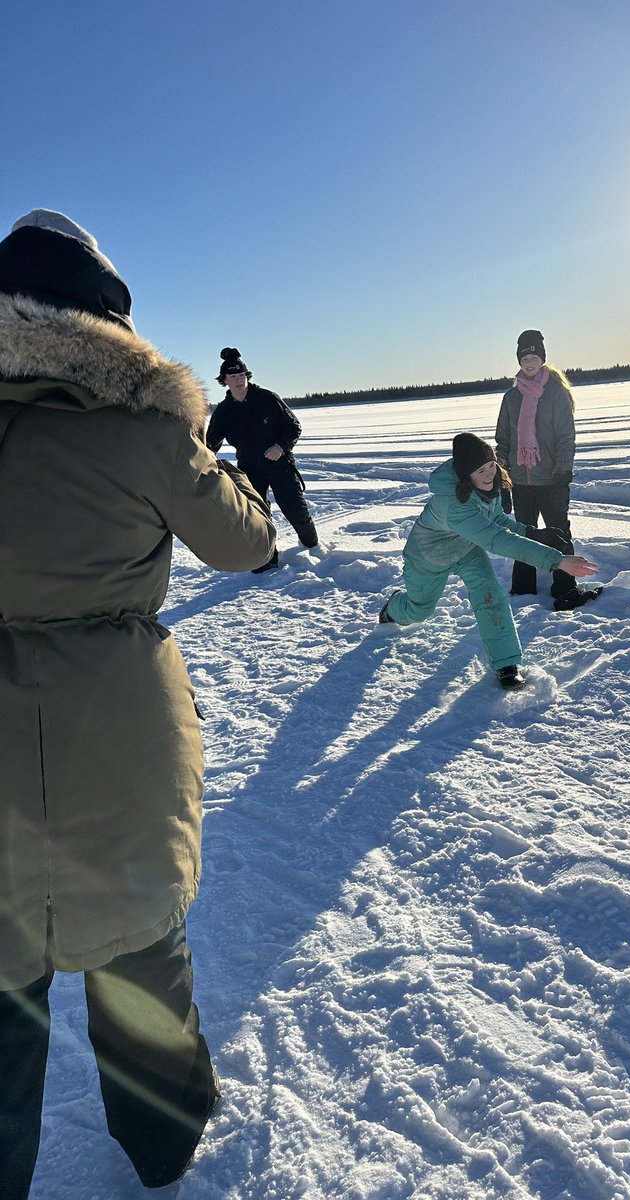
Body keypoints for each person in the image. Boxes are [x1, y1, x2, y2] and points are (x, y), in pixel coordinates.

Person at [0, 209, 276, 1197]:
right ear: (108, 316)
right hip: (116, 730)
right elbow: (247, 544)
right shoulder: (146, 428)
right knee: (140, 959)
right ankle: (167, 1158)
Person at [379, 433, 598, 688]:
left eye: (492, 465)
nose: (489, 474)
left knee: (491, 593)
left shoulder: (487, 488)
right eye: (481, 470)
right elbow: (497, 540)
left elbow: (497, 523)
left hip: (467, 549)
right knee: (419, 610)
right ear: (465, 475)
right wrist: (556, 561)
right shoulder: (455, 506)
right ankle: (392, 609)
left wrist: (533, 532)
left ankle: (506, 664)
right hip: (429, 556)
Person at [495, 329, 603, 611]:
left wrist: (562, 477)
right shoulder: (511, 397)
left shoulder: (556, 393)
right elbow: (503, 441)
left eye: (533, 356)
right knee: (523, 535)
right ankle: (522, 590)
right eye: (524, 357)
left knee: (558, 533)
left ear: (542, 358)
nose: (529, 362)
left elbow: (565, 438)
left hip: (550, 479)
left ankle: (565, 589)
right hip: (520, 480)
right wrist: (503, 478)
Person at [205, 347, 318, 572]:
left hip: (279, 463)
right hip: (249, 468)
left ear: (247, 376)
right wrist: (202, 460)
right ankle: (266, 559)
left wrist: (280, 447)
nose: (238, 380)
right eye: (233, 376)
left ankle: (313, 547)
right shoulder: (224, 411)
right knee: (257, 515)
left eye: (241, 375)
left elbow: (294, 427)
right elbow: (210, 444)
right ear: (225, 381)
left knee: (293, 507)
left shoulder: (267, 398)